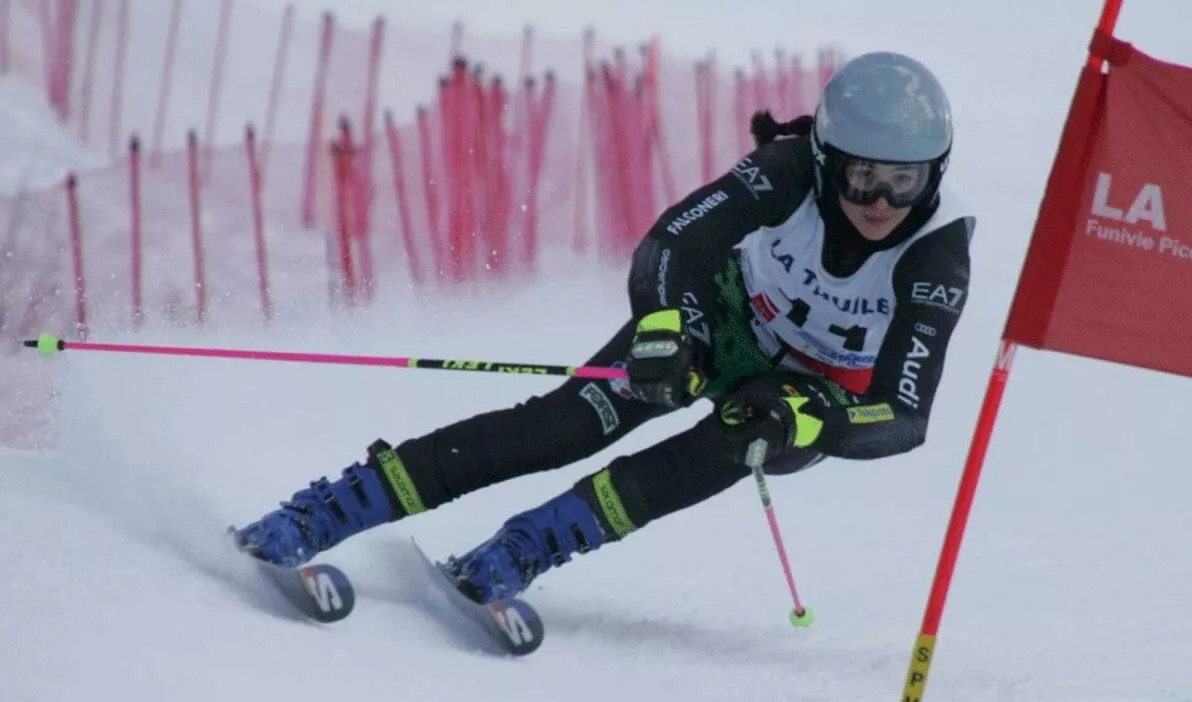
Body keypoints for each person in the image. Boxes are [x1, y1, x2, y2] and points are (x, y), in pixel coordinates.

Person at [234, 50, 975, 606]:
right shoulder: (784, 173)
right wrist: (666, 329)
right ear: (826, 160)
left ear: (932, 176)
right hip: (722, 315)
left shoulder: (935, 255)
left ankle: (525, 548)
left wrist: (813, 422)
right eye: (861, 176)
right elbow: (673, 243)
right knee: (565, 425)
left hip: (805, 393)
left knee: (724, 440)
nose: (880, 201)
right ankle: (337, 505)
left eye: (904, 181)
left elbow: (904, 414)